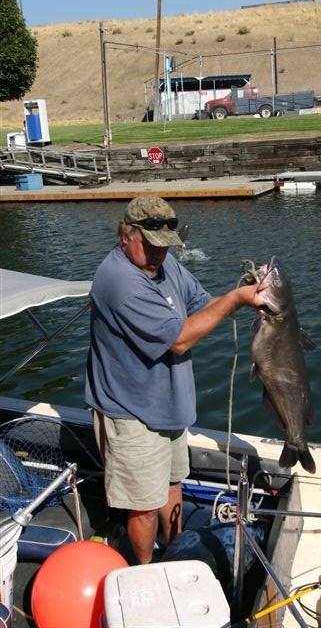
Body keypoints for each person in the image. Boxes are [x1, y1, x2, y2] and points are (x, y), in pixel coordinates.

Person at [85, 195, 266, 564]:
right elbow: (180, 339)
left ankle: (176, 550)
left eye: (165, 247)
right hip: (131, 412)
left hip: (169, 407)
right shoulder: (120, 280)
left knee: (172, 484)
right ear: (125, 235)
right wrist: (235, 300)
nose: (158, 254)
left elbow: (201, 304)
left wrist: (246, 291)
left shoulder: (166, 266)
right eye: (151, 245)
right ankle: (146, 569)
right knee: (143, 506)